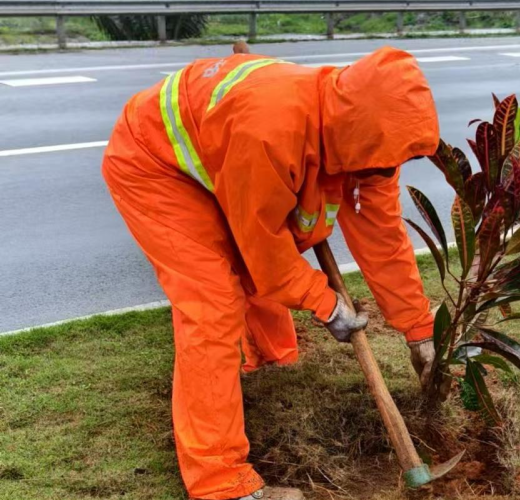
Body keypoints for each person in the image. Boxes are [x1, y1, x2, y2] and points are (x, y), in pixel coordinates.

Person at [101, 43, 440, 500]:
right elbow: (264, 248)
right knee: (212, 304)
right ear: (356, 131)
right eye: (380, 163)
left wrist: (419, 329)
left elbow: (382, 238)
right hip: (154, 164)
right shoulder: (271, 132)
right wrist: (325, 304)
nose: (385, 171)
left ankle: (269, 368)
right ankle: (221, 482)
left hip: (224, 155)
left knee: (258, 267)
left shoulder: (373, 141)